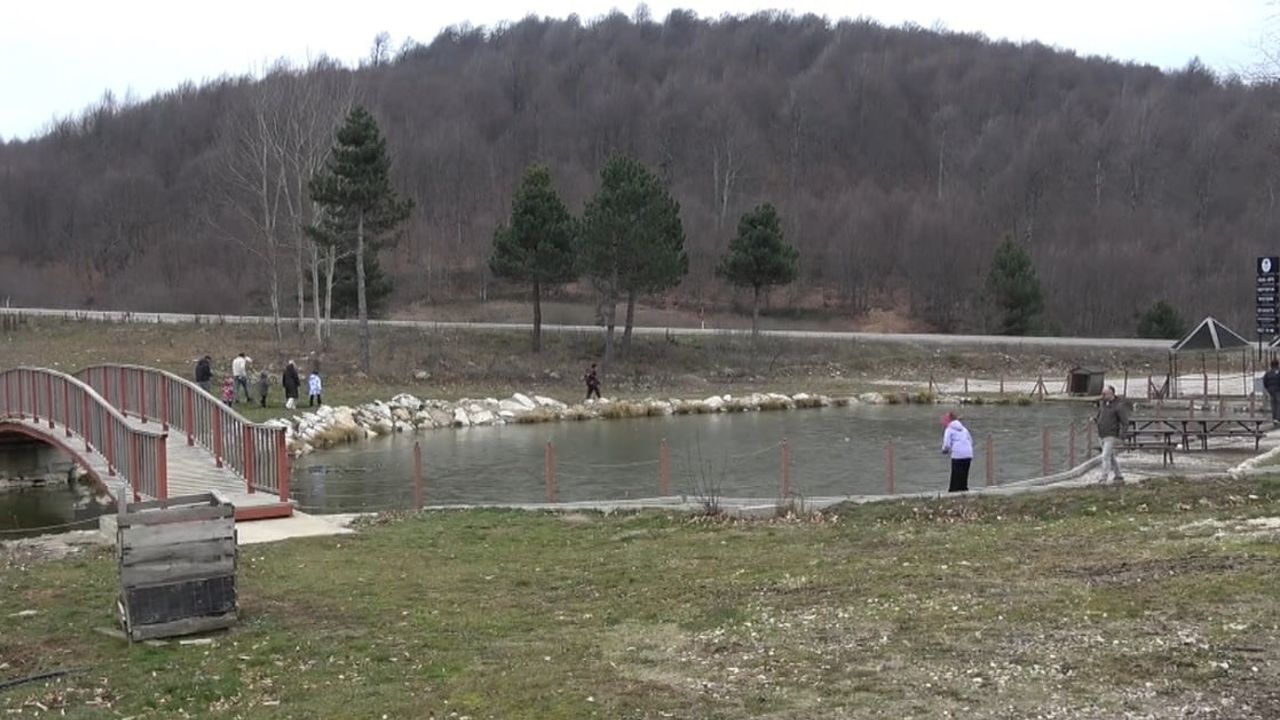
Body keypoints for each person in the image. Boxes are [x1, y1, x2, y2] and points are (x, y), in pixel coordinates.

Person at [1095, 385, 1130, 485]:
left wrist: (1122, 435)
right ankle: (1118, 475)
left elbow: (1125, 422)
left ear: (1111, 394)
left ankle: (1103, 478)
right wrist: (1095, 420)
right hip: (1101, 433)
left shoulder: (1119, 406)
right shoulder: (1103, 404)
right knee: (1110, 456)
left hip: (1111, 434)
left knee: (1105, 456)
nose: (1103, 395)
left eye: (1104, 394)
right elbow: (1099, 415)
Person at [940, 411, 974, 492]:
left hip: (957, 455)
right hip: (968, 454)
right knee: (964, 476)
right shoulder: (964, 429)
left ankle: (953, 492)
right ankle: (964, 490)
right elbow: (971, 441)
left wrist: (945, 451)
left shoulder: (949, 429)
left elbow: (947, 444)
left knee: (955, 476)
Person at [1264, 360, 1280, 425]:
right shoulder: (1279, 372)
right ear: (1277, 365)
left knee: (1273, 405)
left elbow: (1265, 381)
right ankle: (1278, 418)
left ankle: (1274, 418)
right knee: (1278, 405)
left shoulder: (1268, 373)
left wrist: (1268, 388)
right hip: (1278, 390)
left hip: (1271, 391)